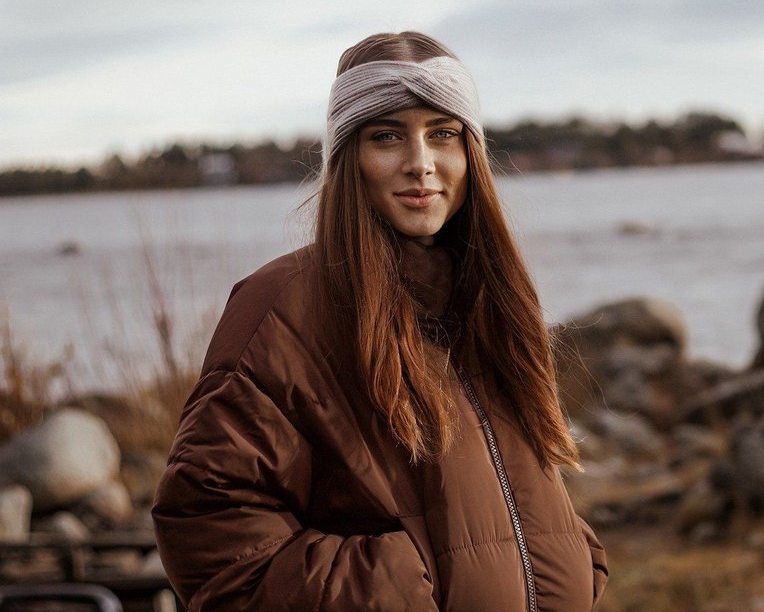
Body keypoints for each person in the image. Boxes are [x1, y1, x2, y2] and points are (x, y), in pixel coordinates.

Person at [151, 32, 608, 611]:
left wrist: (573, 555)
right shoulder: (286, 306)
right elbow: (208, 525)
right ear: (349, 158)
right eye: (387, 136)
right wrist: (394, 592)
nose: (421, 164)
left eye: (443, 133)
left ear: (471, 153)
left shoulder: (489, 298)